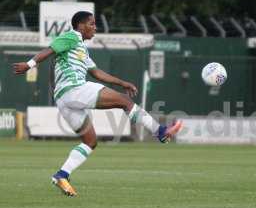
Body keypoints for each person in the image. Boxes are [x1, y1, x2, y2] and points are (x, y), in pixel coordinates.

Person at [13, 11, 182, 197]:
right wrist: (29, 65)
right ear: (80, 26)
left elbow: (97, 73)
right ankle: (160, 132)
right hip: (74, 89)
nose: (95, 27)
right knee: (125, 102)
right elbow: (50, 50)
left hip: (64, 100)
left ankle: (62, 175)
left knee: (90, 141)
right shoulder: (72, 36)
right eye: (92, 24)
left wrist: (122, 83)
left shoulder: (82, 49)